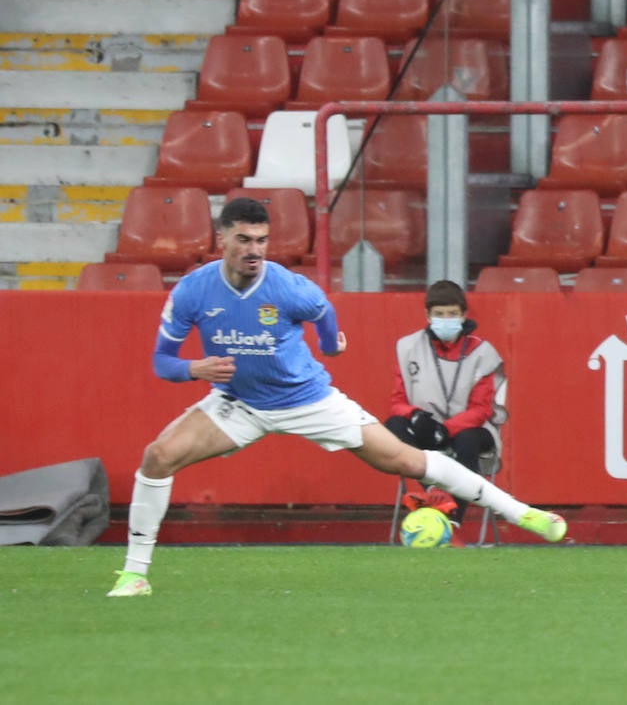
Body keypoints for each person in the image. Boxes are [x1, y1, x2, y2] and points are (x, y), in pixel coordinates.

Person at [107, 198, 566, 598]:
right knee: (158, 456)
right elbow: (162, 362)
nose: (254, 250)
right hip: (239, 403)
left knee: (407, 461)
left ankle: (525, 514)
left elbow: (323, 311)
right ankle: (135, 574)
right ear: (221, 238)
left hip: (307, 400)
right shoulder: (193, 290)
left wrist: (330, 347)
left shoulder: (286, 286)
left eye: (262, 241)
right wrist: (194, 369)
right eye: (244, 239)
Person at [385, 279, 505, 526]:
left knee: (467, 439)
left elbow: (481, 410)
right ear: (427, 315)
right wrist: (416, 416)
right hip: (427, 428)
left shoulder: (483, 353)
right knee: (394, 425)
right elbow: (397, 402)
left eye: (452, 314)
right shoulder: (407, 347)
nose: (446, 319)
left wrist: (446, 429)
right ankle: (433, 490)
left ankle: (453, 517)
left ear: (463, 315)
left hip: (471, 431)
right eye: (439, 314)